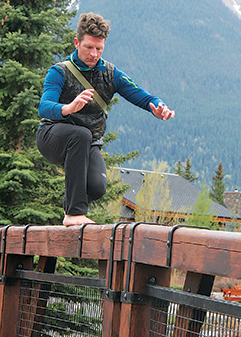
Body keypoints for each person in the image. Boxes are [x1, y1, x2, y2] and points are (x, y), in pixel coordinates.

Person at [36, 12, 175, 227]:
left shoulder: (110, 73)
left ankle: (70, 206)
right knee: (80, 134)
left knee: (97, 187)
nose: (94, 54)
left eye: (99, 49)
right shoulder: (59, 72)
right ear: (77, 42)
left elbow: (142, 95)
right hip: (52, 136)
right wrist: (69, 107)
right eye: (88, 47)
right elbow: (44, 108)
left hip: (86, 142)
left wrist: (158, 107)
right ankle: (74, 213)